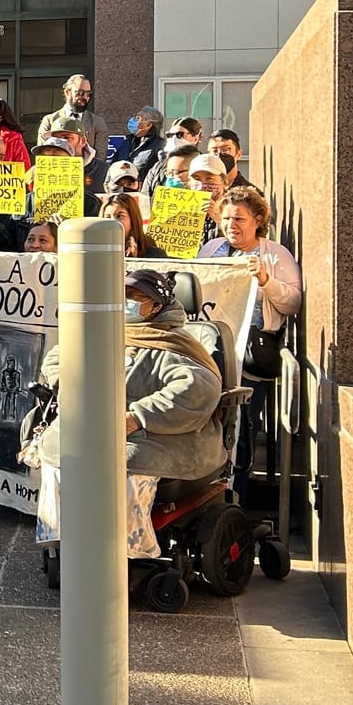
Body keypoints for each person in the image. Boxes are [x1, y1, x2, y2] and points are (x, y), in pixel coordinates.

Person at [23, 268, 225, 481]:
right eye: (122, 295)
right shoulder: (101, 330)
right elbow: (59, 357)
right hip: (89, 425)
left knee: (122, 463)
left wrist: (137, 417)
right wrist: (70, 385)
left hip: (144, 436)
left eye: (134, 298)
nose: (125, 302)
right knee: (58, 450)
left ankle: (121, 515)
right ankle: (56, 516)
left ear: (156, 306)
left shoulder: (172, 343)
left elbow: (197, 390)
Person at [199, 186, 303, 492]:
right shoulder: (211, 249)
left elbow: (292, 302)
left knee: (243, 429)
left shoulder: (274, 254)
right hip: (211, 352)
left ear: (257, 220)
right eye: (227, 217)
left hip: (249, 357)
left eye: (240, 218)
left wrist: (266, 281)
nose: (232, 225)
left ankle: (238, 493)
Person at [39, 74, 109, 178]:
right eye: (80, 93)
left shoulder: (98, 123)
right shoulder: (49, 121)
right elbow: (42, 154)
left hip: (87, 179)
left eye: (88, 93)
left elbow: (100, 157)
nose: (84, 97)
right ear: (67, 92)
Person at [99, 193, 166, 258]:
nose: (113, 222)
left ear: (133, 219)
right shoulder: (97, 250)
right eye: (107, 217)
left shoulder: (155, 254)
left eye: (119, 216)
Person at [122, 105, 167, 186]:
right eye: (136, 117)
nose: (134, 121)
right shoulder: (128, 140)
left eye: (139, 118)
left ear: (149, 124)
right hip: (122, 187)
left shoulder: (160, 145)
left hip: (143, 190)